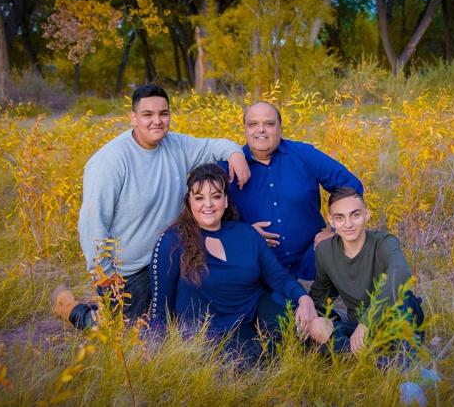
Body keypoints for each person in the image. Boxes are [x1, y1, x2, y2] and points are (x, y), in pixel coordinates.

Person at [51, 85, 251, 329]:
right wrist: (105, 277)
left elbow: (215, 145)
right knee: (118, 331)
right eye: (148, 115)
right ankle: (71, 307)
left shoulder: (176, 145)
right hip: (132, 270)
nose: (157, 121)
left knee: (188, 318)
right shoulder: (110, 162)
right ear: (133, 118)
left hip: (176, 255)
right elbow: (92, 224)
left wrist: (235, 154)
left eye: (163, 113)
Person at [149, 163, 318, 359]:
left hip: (254, 307)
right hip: (212, 328)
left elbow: (278, 277)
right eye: (199, 198)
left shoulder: (246, 234)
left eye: (216, 196)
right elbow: (161, 303)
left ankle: (352, 341)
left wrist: (302, 298)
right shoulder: (172, 241)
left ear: (226, 201)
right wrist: (156, 346)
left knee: (304, 331)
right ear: (190, 202)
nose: (208, 204)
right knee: (267, 357)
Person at [218, 101, 364, 282]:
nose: (261, 129)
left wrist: (336, 231)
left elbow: (350, 186)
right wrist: (243, 234)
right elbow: (205, 214)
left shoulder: (304, 154)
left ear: (280, 128)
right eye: (253, 124)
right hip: (261, 270)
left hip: (313, 265)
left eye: (269, 124)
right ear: (245, 129)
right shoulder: (227, 167)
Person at [307, 187, 424, 356]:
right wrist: (305, 314)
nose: (348, 224)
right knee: (317, 326)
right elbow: (320, 293)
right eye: (340, 217)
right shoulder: (325, 250)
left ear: (366, 214)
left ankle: (405, 363)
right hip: (358, 327)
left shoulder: (384, 242)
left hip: (397, 319)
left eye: (355, 215)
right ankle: (367, 359)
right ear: (331, 221)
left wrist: (368, 321)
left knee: (402, 296)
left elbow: (401, 272)